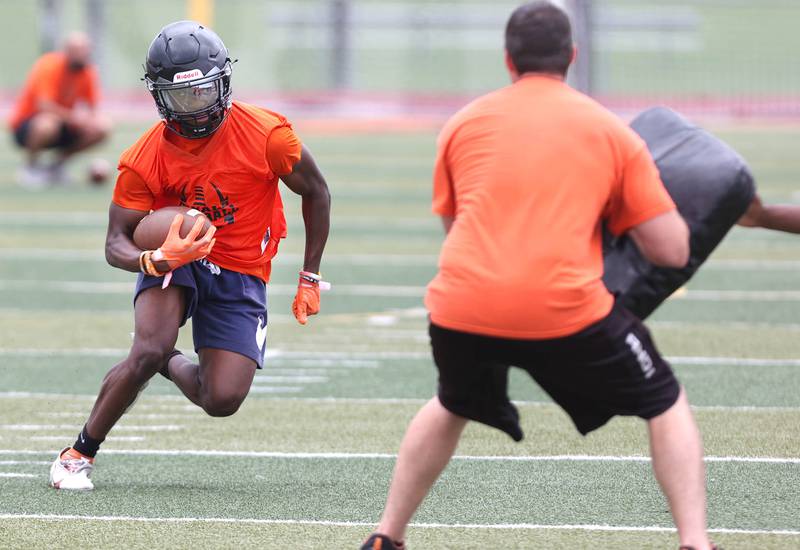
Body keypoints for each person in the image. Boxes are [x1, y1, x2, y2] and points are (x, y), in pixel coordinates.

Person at [360, 3, 717, 550]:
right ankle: (695, 542)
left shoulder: (463, 123)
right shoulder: (611, 132)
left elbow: (454, 227)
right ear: (574, 56)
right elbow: (671, 250)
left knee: (453, 401)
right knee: (664, 401)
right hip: (562, 311)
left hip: (461, 307)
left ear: (508, 60)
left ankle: (387, 536)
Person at [48, 21, 331, 491]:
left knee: (221, 398)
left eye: (203, 93)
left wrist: (309, 274)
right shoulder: (144, 157)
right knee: (147, 347)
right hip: (176, 257)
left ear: (223, 83)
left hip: (241, 268)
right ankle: (79, 452)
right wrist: (154, 260)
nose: (196, 110)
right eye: (182, 98)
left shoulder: (268, 135)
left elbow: (317, 192)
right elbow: (116, 242)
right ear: (160, 98)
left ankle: (164, 357)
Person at [8, 32, 110, 187]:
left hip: (62, 125)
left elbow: (93, 108)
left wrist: (89, 122)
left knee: (102, 127)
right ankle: (30, 168)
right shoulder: (48, 65)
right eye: (78, 51)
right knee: (47, 123)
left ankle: (56, 166)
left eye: (85, 50)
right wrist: (74, 119)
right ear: (67, 51)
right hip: (28, 125)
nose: (83, 54)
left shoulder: (87, 72)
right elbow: (44, 106)